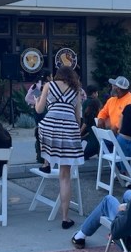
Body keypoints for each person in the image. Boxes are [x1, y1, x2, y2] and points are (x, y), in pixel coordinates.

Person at [69, 159, 131, 248]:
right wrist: (129, 206)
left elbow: (118, 228)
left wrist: (125, 210)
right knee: (128, 193)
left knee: (108, 200)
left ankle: (79, 237)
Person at [35, 66, 83, 229]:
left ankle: (46, 163)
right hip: (69, 128)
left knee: (40, 129)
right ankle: (65, 217)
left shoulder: (49, 85)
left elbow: (40, 109)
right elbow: (78, 118)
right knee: (65, 176)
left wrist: (36, 102)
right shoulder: (76, 89)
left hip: (50, 126)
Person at [25, 69, 52, 166]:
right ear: (48, 77)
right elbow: (27, 98)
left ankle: (40, 156)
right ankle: (44, 157)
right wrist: (40, 103)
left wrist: (36, 103)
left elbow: (27, 98)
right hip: (45, 111)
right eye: (51, 76)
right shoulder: (46, 86)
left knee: (39, 133)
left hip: (37, 112)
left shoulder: (35, 85)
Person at [80, 85, 101, 160]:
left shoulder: (85, 103)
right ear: (94, 93)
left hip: (90, 132)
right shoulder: (96, 102)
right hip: (97, 133)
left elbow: (85, 122)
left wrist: (79, 133)